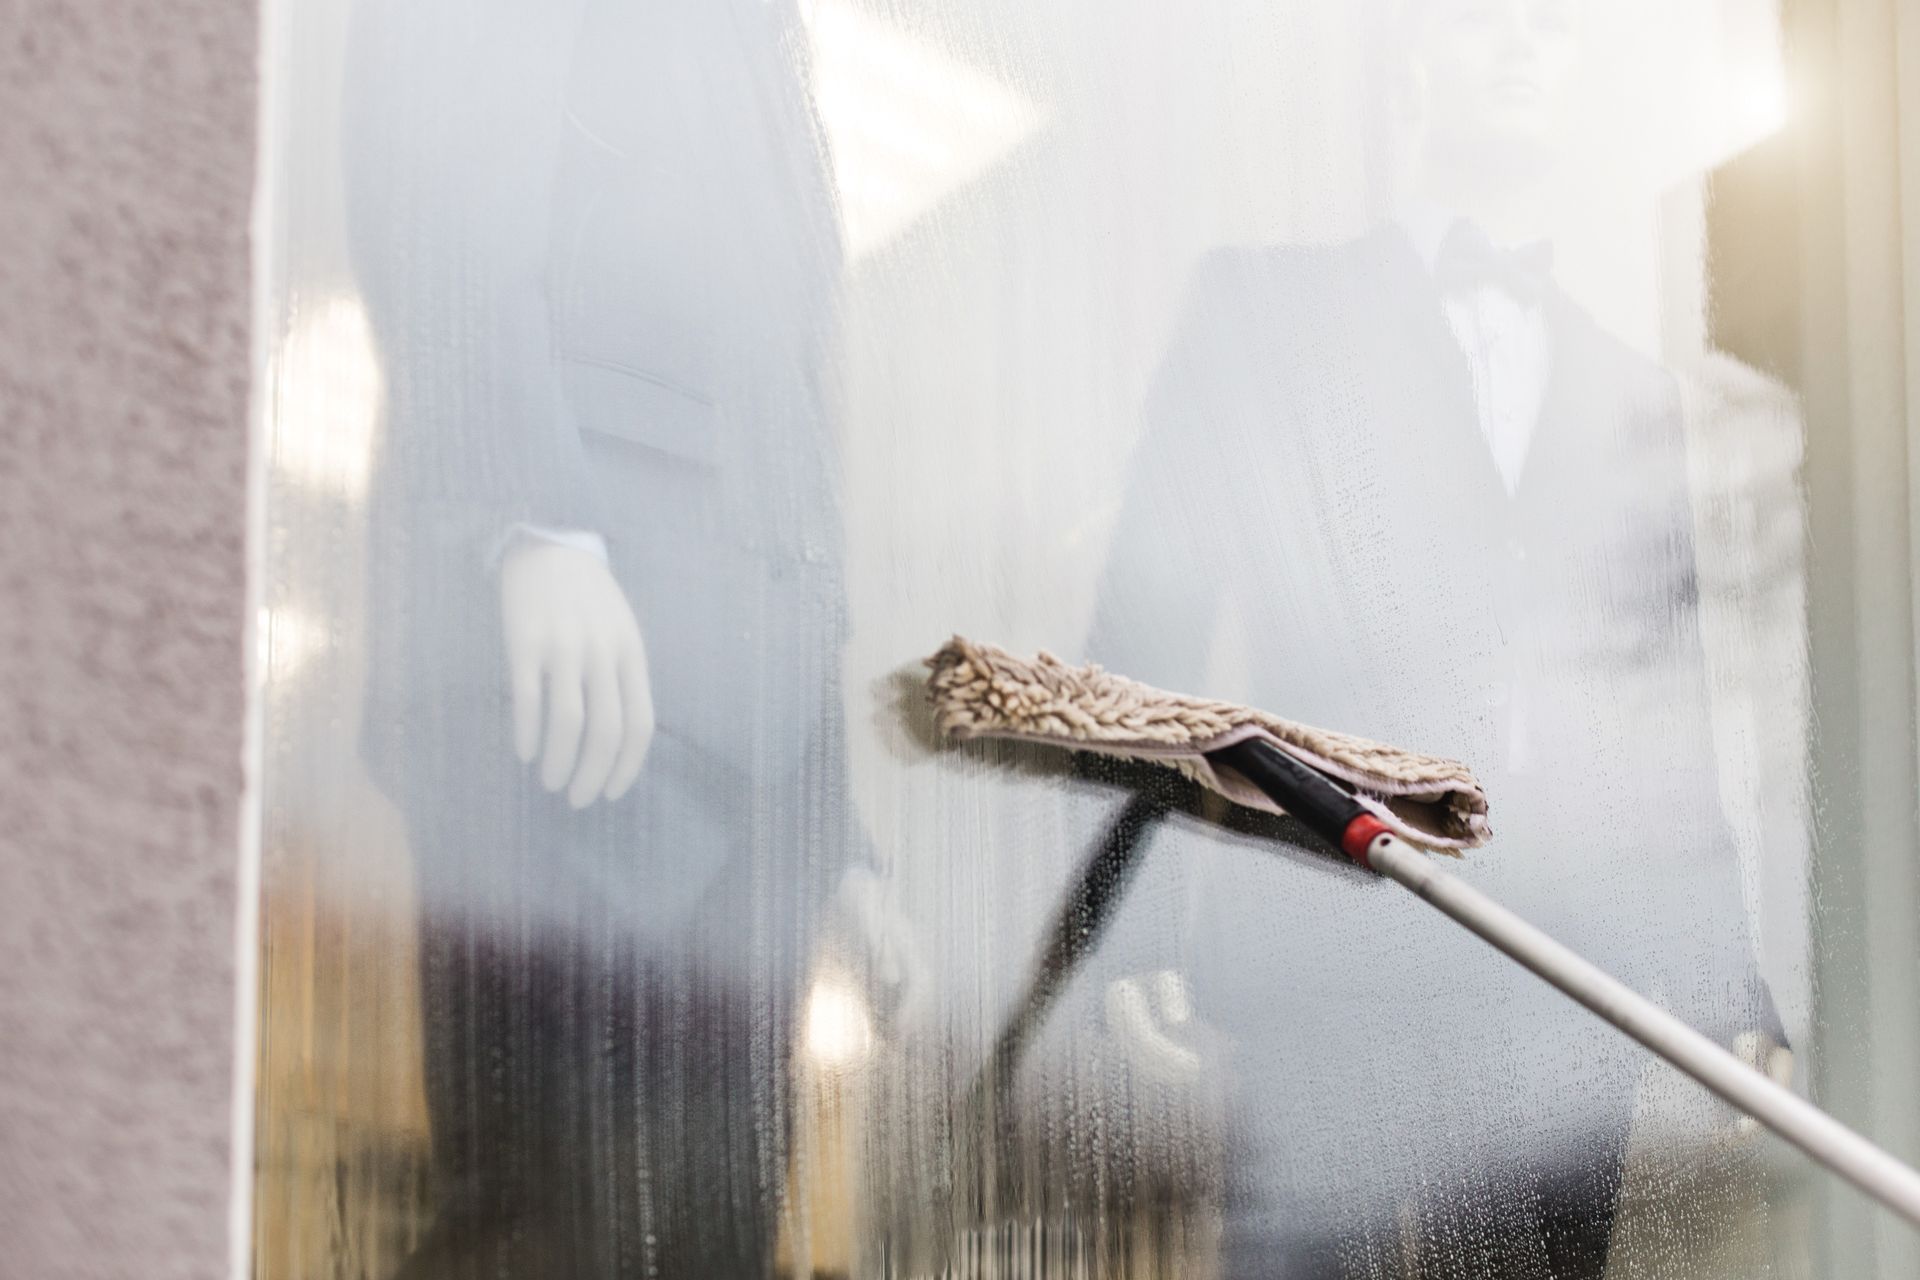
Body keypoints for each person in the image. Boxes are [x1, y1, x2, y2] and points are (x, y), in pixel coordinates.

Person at [1089, 1, 1785, 1274]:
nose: (1521, 42)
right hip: (1327, 923)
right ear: (1413, 57)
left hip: (1562, 967)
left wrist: (1719, 976)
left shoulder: (1628, 388)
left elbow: (1660, 705)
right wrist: (1122, 914)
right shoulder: (1263, 309)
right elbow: (1154, 621)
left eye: (1553, 25)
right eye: (1483, 17)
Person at [342, 2, 902, 1274]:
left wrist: (828, 823)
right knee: (556, 1215)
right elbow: (439, 148)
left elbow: (788, 430)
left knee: (706, 1238)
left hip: (745, 747)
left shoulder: (767, 42)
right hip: (575, 700)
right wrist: (531, 518)